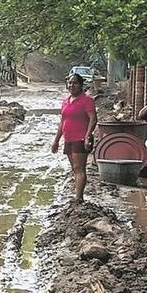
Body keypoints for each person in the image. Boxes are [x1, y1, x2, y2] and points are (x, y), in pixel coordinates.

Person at [51, 73, 97, 203]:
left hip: (80, 138)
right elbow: (62, 122)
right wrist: (56, 141)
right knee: (74, 169)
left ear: (81, 85)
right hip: (68, 139)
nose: (71, 85)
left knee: (79, 168)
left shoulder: (87, 100)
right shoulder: (66, 101)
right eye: (70, 83)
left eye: (75, 83)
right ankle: (77, 194)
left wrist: (88, 136)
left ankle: (79, 198)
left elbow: (93, 119)